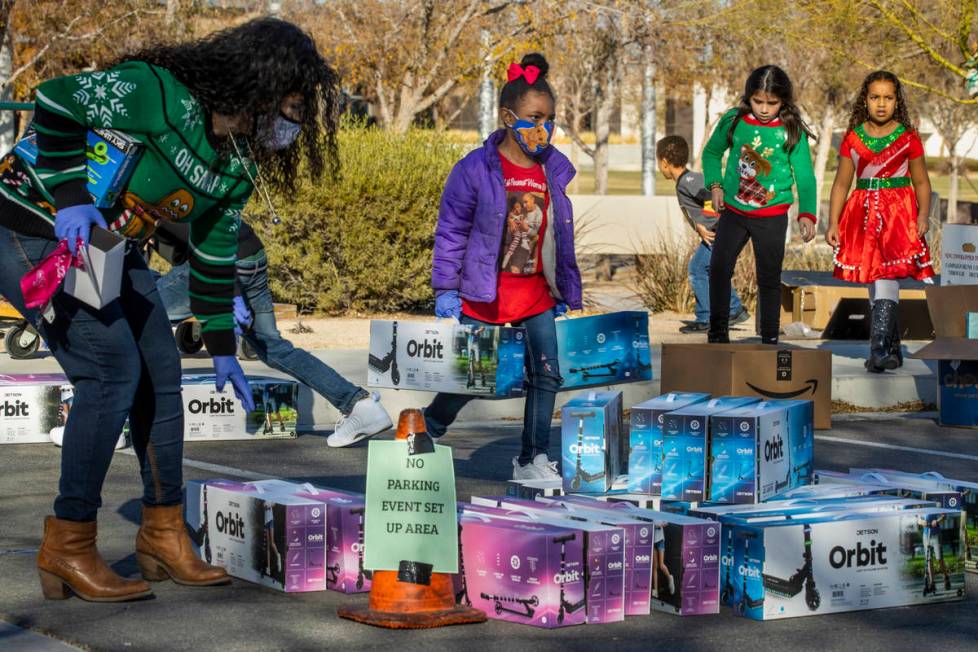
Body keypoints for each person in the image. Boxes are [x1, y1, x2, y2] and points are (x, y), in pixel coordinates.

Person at [0, 18, 341, 602]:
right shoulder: (157, 92)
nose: (294, 123)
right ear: (255, 88)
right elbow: (56, 100)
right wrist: (73, 198)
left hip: (106, 246)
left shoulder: (238, 162)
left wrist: (222, 347)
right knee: (109, 370)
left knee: (160, 371)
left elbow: (211, 255)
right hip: (30, 221)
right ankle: (69, 544)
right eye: (289, 107)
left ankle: (162, 533)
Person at [425, 53, 582, 482]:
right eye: (533, 118)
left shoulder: (553, 171)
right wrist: (445, 288)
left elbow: (559, 235)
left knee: (546, 374)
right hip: (486, 292)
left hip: (536, 293)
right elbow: (452, 230)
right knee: (472, 379)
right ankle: (428, 428)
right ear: (507, 116)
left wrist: (563, 289)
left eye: (549, 120)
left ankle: (532, 458)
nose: (542, 129)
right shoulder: (474, 169)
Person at [152, 218, 393, 446]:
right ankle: (359, 405)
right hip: (251, 256)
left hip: (223, 263)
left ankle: (120, 419)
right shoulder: (172, 184)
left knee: (139, 310)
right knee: (274, 349)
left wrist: (233, 295)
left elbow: (209, 246)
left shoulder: (146, 196)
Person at [826, 71, 933, 372]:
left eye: (888, 98)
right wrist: (833, 222)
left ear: (897, 101)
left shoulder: (908, 138)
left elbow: (922, 182)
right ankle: (891, 349)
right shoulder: (852, 138)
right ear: (866, 100)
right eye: (875, 97)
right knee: (873, 277)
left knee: (886, 275)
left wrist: (922, 215)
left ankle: (879, 349)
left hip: (898, 214)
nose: (881, 104)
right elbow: (840, 184)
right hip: (861, 215)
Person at [702, 65, 818, 344]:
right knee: (718, 267)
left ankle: (769, 337)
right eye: (758, 102)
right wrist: (715, 185)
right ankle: (718, 333)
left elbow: (804, 175)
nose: (765, 109)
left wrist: (807, 213)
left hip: (772, 215)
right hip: (734, 211)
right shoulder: (734, 120)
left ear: (784, 102)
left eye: (772, 103)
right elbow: (711, 153)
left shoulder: (791, 129)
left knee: (768, 277)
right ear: (748, 98)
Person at [656, 135, 749, 333]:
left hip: (717, 233)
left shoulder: (688, 181)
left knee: (698, 269)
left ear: (664, 162)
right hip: (717, 232)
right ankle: (733, 309)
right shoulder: (686, 180)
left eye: (658, 162)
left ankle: (708, 317)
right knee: (708, 270)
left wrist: (708, 223)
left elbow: (714, 197)